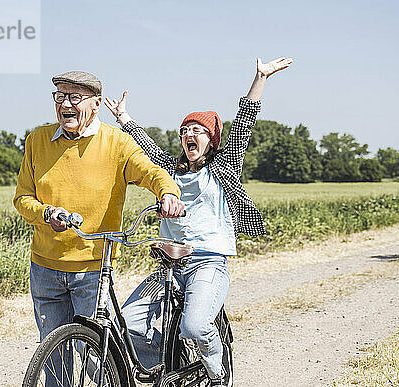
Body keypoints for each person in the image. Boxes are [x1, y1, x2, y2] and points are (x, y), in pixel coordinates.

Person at [105, 57, 293, 386]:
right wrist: (123, 117)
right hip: (169, 264)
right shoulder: (169, 167)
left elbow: (245, 122)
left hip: (208, 261)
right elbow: (143, 143)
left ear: (211, 139)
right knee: (127, 325)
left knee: (193, 326)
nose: (188, 135)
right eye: (184, 130)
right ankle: (164, 371)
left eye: (197, 130)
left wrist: (260, 78)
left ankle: (217, 370)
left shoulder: (224, 166)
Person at [13, 70, 185, 347]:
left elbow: (151, 172)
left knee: (97, 357)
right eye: (60, 96)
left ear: (96, 103)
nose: (65, 104)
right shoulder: (37, 140)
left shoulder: (117, 143)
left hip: (93, 269)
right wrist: (46, 213)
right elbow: (22, 198)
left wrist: (168, 193)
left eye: (74, 97)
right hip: (44, 268)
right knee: (54, 356)